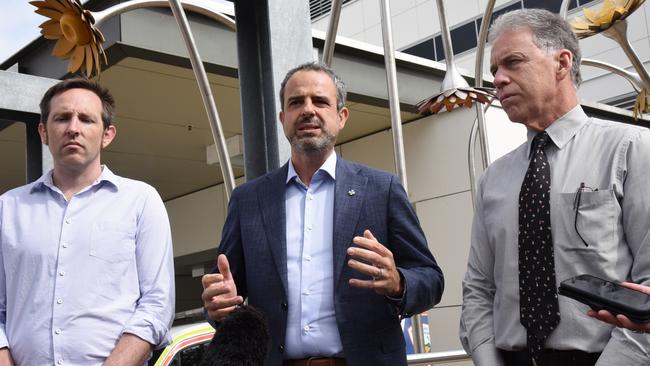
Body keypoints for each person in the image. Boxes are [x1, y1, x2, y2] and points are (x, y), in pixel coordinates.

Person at [201, 62, 444, 366]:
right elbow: (222, 295)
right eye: (296, 102)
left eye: (319, 101)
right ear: (282, 118)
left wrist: (398, 282)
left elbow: (431, 280)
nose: (307, 110)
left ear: (342, 117)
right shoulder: (248, 200)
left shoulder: (382, 190)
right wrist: (216, 307)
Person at [459, 8, 650, 366]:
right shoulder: (494, 178)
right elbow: (478, 289)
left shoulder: (632, 150)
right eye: (494, 70)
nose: (498, 79)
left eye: (512, 63)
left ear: (562, 63)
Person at [0, 78, 175, 366]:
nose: (73, 128)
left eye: (86, 119)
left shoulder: (141, 201)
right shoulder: (8, 209)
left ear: (107, 134)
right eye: (62, 118)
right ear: (43, 132)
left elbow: (157, 304)